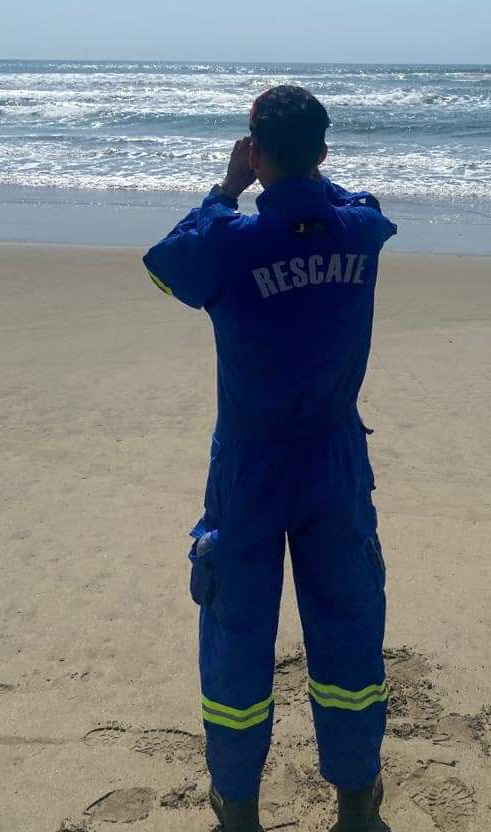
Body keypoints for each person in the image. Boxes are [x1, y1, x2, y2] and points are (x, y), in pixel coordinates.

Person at [143, 85, 396, 832]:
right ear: (324, 151)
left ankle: (239, 803)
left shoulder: (227, 241)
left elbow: (164, 267)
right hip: (334, 457)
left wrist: (227, 188)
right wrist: (305, 182)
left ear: (255, 151)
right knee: (348, 620)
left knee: (238, 632)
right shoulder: (359, 229)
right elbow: (359, 203)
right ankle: (356, 796)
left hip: (251, 464)